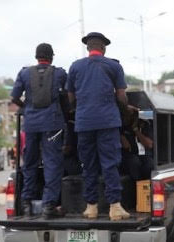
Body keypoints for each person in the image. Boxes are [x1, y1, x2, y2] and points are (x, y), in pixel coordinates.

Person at [67, 32, 130, 221]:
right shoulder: (113, 66)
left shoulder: (75, 67)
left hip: (84, 123)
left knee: (88, 165)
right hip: (108, 122)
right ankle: (115, 208)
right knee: (110, 164)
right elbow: (121, 95)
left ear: (88, 48)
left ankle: (91, 207)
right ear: (103, 49)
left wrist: (80, 109)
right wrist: (125, 110)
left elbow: (70, 96)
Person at [11, 43, 67, 219]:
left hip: (31, 125)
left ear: (36, 57)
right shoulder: (59, 73)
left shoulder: (24, 73)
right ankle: (49, 206)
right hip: (52, 125)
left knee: (30, 163)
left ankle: (27, 204)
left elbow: (14, 97)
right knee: (52, 164)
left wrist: (26, 108)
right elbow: (68, 94)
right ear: (51, 57)